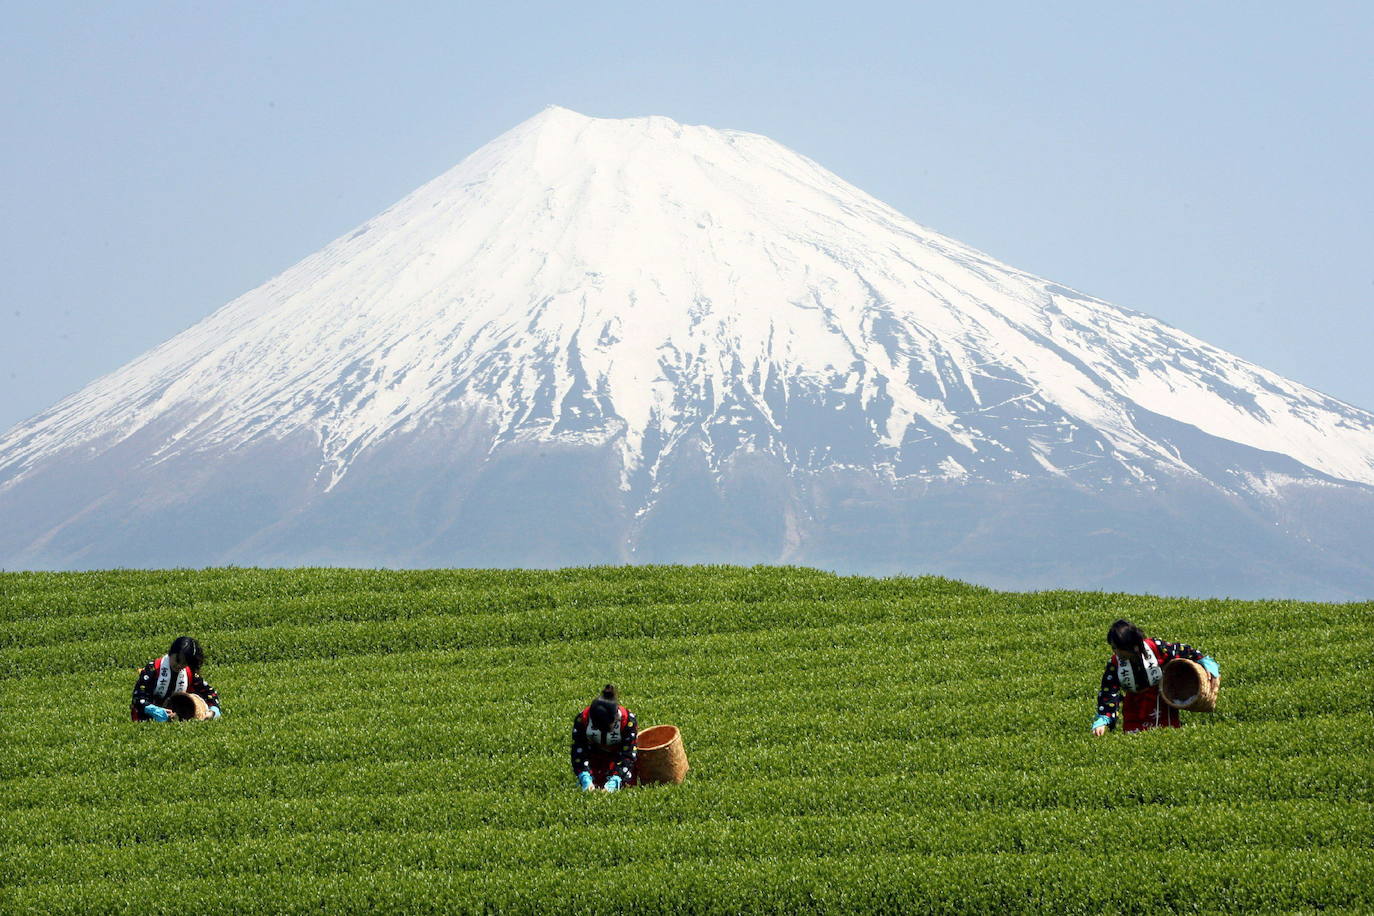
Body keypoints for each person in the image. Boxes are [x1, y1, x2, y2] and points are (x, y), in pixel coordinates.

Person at [1091, 619, 1218, 735]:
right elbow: (1109, 691)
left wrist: (1205, 664)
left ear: (1133, 646)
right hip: (1134, 706)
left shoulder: (1156, 647)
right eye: (1114, 648)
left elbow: (1183, 651)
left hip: (1160, 702)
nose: (1116, 652)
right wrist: (1103, 720)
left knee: (1167, 735)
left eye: (1119, 649)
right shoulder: (1115, 663)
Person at [131, 635, 222, 722]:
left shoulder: (189, 674)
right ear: (171, 653)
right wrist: (154, 710)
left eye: (184, 663)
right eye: (178, 660)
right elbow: (138, 697)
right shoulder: (153, 669)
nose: (179, 665)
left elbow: (210, 693)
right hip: (149, 717)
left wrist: (213, 712)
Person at [571, 684, 637, 791]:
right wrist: (585, 777)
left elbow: (628, 753)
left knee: (626, 785)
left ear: (615, 718)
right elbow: (579, 750)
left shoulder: (628, 720)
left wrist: (616, 779)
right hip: (593, 760)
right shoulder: (582, 719)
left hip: (618, 759)